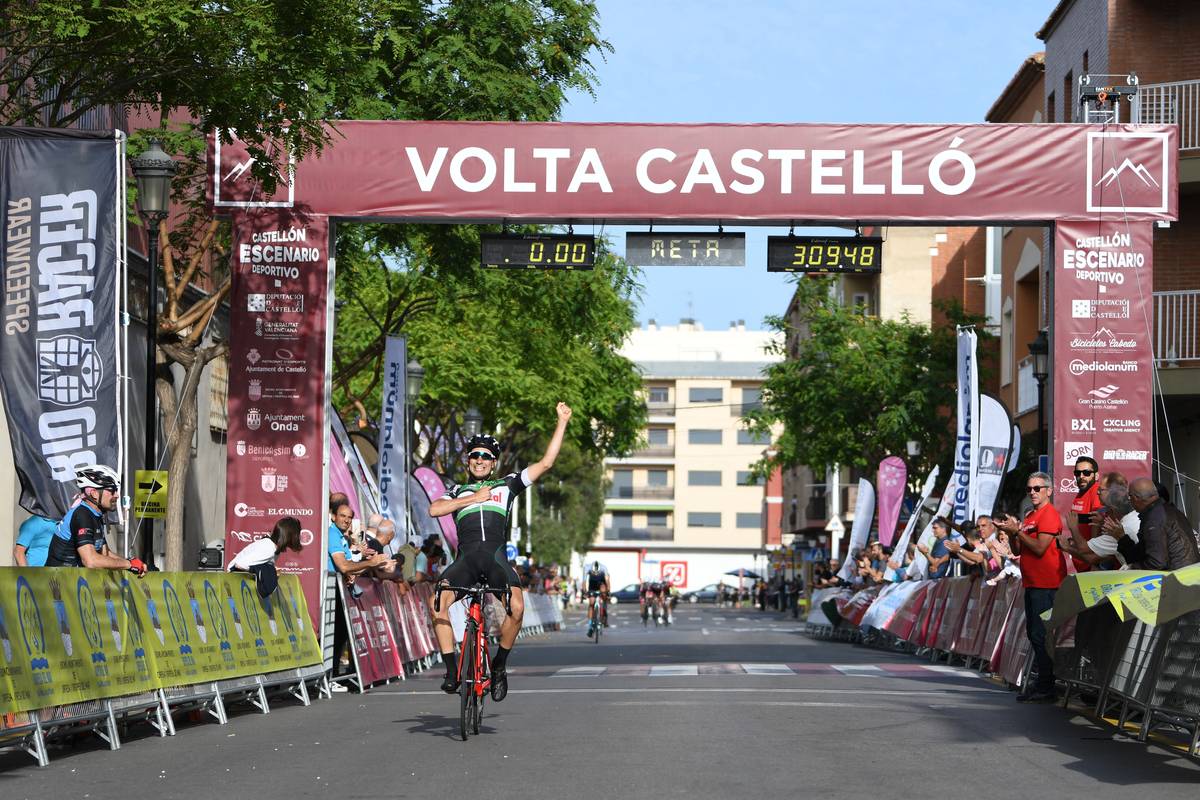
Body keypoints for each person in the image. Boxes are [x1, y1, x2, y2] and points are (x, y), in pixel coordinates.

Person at [429, 401, 572, 701]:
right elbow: (435, 509)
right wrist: (471, 499)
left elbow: (545, 463)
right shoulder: (456, 490)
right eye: (474, 456)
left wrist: (562, 422)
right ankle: (452, 669)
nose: (479, 460)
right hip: (465, 561)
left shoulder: (507, 485)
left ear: (493, 463)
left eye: (486, 456)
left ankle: (499, 667)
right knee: (436, 604)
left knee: (517, 608)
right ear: (468, 461)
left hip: (496, 561)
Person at [996, 471, 1067, 703]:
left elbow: (1039, 548)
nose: (1033, 492)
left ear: (1049, 490)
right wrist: (1012, 533)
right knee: (1035, 634)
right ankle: (1043, 683)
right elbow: (1019, 551)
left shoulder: (1048, 515)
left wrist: (1017, 532)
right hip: (1033, 583)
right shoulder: (1030, 516)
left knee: (1041, 634)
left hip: (1047, 584)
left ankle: (1046, 685)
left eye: (1037, 488)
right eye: (1030, 489)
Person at [45, 465, 147, 576]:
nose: (117, 495)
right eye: (112, 490)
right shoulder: (82, 515)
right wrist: (128, 565)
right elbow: (90, 561)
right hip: (57, 585)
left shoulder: (95, 514)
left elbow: (105, 553)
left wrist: (131, 562)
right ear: (94, 493)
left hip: (73, 583)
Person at [1115, 478, 1200, 571]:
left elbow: (1157, 563)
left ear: (1135, 498)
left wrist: (1132, 568)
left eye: (1129, 496)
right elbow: (1141, 553)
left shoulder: (1155, 518)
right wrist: (1122, 537)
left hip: (1176, 577)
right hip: (1188, 573)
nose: (1129, 500)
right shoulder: (1169, 511)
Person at [227, 517, 303, 597]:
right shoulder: (269, 549)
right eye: (297, 535)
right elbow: (240, 565)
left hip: (238, 583)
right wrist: (266, 571)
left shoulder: (272, 547)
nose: (298, 538)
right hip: (233, 581)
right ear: (289, 536)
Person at [1065, 456, 1102, 573]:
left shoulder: (1096, 492)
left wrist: (1095, 563)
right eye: (1077, 473)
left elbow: (1097, 526)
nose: (1081, 476)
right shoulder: (1081, 493)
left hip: (1091, 564)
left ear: (1096, 475)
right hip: (1082, 562)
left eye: (1086, 473)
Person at [584, 561, 610, 637]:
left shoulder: (603, 569)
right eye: (594, 573)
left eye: (597, 573)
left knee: (604, 594)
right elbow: (584, 582)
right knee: (591, 602)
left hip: (602, 583)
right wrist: (584, 592)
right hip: (592, 586)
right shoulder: (587, 568)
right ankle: (590, 625)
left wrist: (608, 592)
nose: (595, 574)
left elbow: (608, 582)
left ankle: (604, 614)